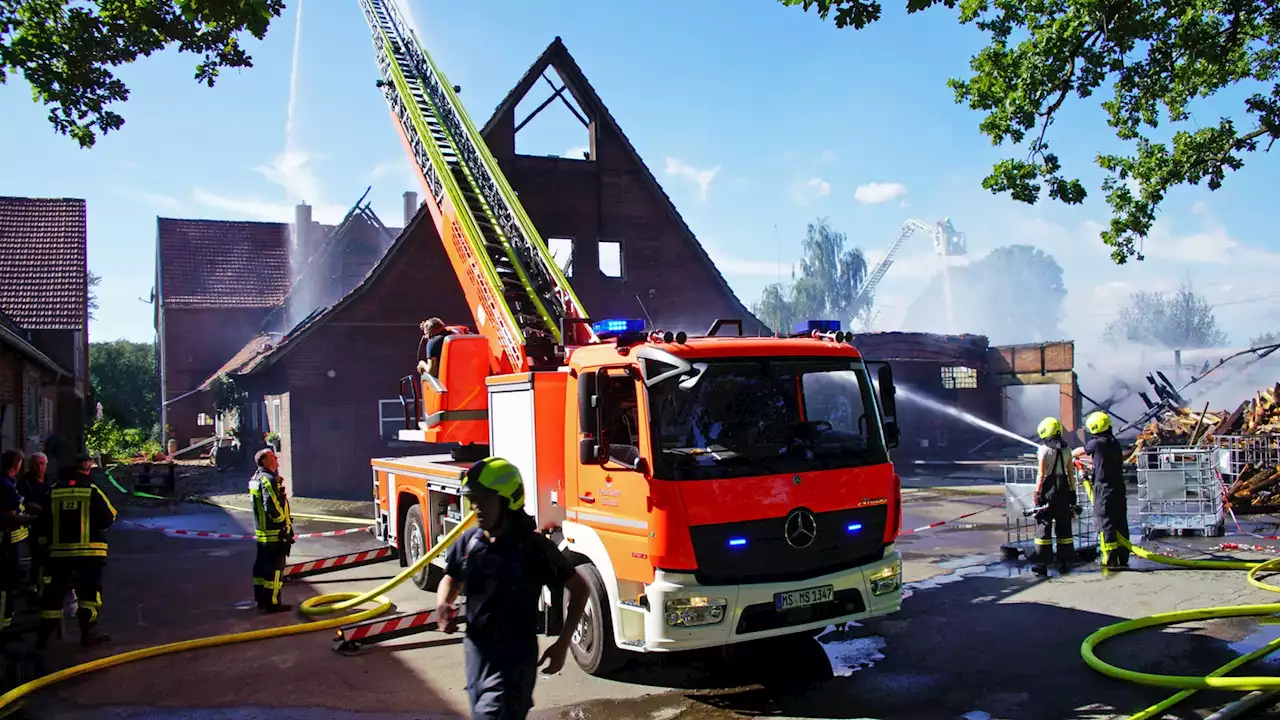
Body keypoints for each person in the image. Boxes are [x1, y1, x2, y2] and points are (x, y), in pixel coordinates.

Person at [436, 457, 589, 719]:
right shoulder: (469, 542)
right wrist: (443, 604)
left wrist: (563, 642)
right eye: (472, 499)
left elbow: (579, 588)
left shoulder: (533, 548)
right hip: (476, 658)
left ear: (507, 500)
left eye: (483, 498)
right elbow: (451, 577)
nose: (475, 507)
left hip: (513, 664)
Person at [35, 453, 115, 648]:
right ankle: (89, 633)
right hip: (89, 553)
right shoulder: (92, 490)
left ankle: (43, 640)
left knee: (53, 595)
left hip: (59, 554)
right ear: (87, 469)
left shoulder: (53, 491)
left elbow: (42, 522)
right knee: (88, 594)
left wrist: (45, 547)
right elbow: (108, 517)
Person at [1074, 411, 1129, 568]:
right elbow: (1104, 462)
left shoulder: (1096, 443)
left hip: (1104, 488)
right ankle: (1123, 557)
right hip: (1118, 487)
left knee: (1105, 522)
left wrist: (1068, 456)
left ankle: (1109, 559)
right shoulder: (1113, 443)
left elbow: (1080, 451)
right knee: (1120, 521)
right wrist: (1092, 466)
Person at [1032, 417, 1080, 576]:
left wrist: (1037, 493)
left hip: (1048, 491)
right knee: (1064, 527)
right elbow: (1070, 475)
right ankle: (1064, 561)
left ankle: (1042, 563)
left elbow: (1041, 474)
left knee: (1043, 527)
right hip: (1064, 490)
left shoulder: (1043, 450)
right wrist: (1073, 494)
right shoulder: (1066, 450)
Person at [250, 448, 294, 613]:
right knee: (276, 568)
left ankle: (261, 598)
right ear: (265, 461)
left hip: (262, 534)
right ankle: (273, 602)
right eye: (273, 457)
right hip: (274, 533)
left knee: (262, 567)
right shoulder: (268, 480)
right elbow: (273, 507)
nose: (277, 459)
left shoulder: (256, 478)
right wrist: (283, 524)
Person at [0, 449, 34, 637]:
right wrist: (32, 519)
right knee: (7, 583)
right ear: (17, 464)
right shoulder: (6, 485)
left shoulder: (8, 483)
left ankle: (7, 621)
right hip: (7, 542)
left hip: (11, 542)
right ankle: (4, 625)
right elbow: (10, 517)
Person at [18, 452, 52, 596]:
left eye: (42, 464)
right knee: (37, 558)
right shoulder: (25, 482)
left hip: (49, 525)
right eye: (36, 464)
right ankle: (34, 587)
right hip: (32, 526)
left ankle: (45, 587)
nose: (39, 467)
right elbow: (23, 502)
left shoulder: (50, 480)